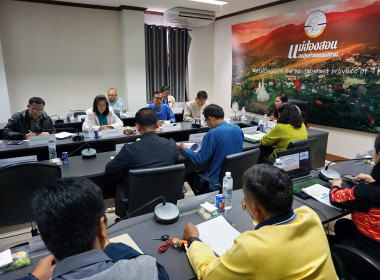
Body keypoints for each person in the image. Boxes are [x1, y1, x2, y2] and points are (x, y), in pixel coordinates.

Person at [183, 164, 338, 279]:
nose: (243, 202)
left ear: (257, 209)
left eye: (245, 198)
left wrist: (194, 240)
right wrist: (254, 209)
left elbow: (209, 275)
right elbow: (275, 222)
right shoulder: (309, 215)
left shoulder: (250, 247)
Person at [19, 177, 168, 280]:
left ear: (43, 238)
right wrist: (109, 245)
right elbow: (157, 269)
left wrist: (32, 277)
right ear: (101, 228)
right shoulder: (144, 272)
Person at [105, 108, 179, 217]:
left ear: (137, 126)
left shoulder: (130, 150)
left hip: (139, 204)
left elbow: (109, 168)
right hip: (166, 201)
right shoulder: (171, 145)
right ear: (158, 124)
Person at [328, 133, 380, 261]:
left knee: (327, 239)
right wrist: (374, 181)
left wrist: (336, 185)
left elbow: (336, 198)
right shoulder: (372, 190)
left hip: (371, 251)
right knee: (342, 224)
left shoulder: (367, 192)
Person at [178, 104, 243, 193]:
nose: (207, 124)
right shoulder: (238, 129)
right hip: (234, 178)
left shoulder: (212, 134)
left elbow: (200, 159)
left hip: (216, 182)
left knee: (190, 174)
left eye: (206, 121)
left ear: (211, 118)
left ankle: (204, 199)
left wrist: (184, 149)